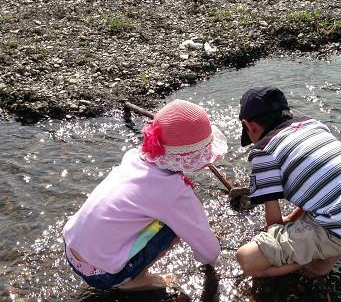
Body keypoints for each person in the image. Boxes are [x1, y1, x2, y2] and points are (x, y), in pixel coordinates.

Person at [63, 99, 227, 290]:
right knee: (175, 225)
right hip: (104, 275)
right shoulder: (173, 191)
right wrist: (213, 256)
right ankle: (132, 280)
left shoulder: (133, 158)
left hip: (71, 249)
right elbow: (207, 249)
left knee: (163, 215)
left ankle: (122, 268)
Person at [235, 86, 341, 277]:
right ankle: (330, 252)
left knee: (246, 258)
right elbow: (319, 185)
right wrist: (293, 220)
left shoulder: (263, 151)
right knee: (315, 271)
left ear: (249, 126)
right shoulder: (313, 125)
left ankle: (318, 255)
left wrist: (274, 240)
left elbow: (273, 224)